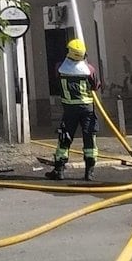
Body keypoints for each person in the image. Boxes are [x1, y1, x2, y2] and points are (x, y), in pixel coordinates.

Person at [46, 38, 100, 181]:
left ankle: (59, 170)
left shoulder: (59, 67)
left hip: (69, 109)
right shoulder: (89, 69)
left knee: (65, 138)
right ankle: (90, 172)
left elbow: (55, 81)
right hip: (88, 109)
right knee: (89, 139)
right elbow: (96, 86)